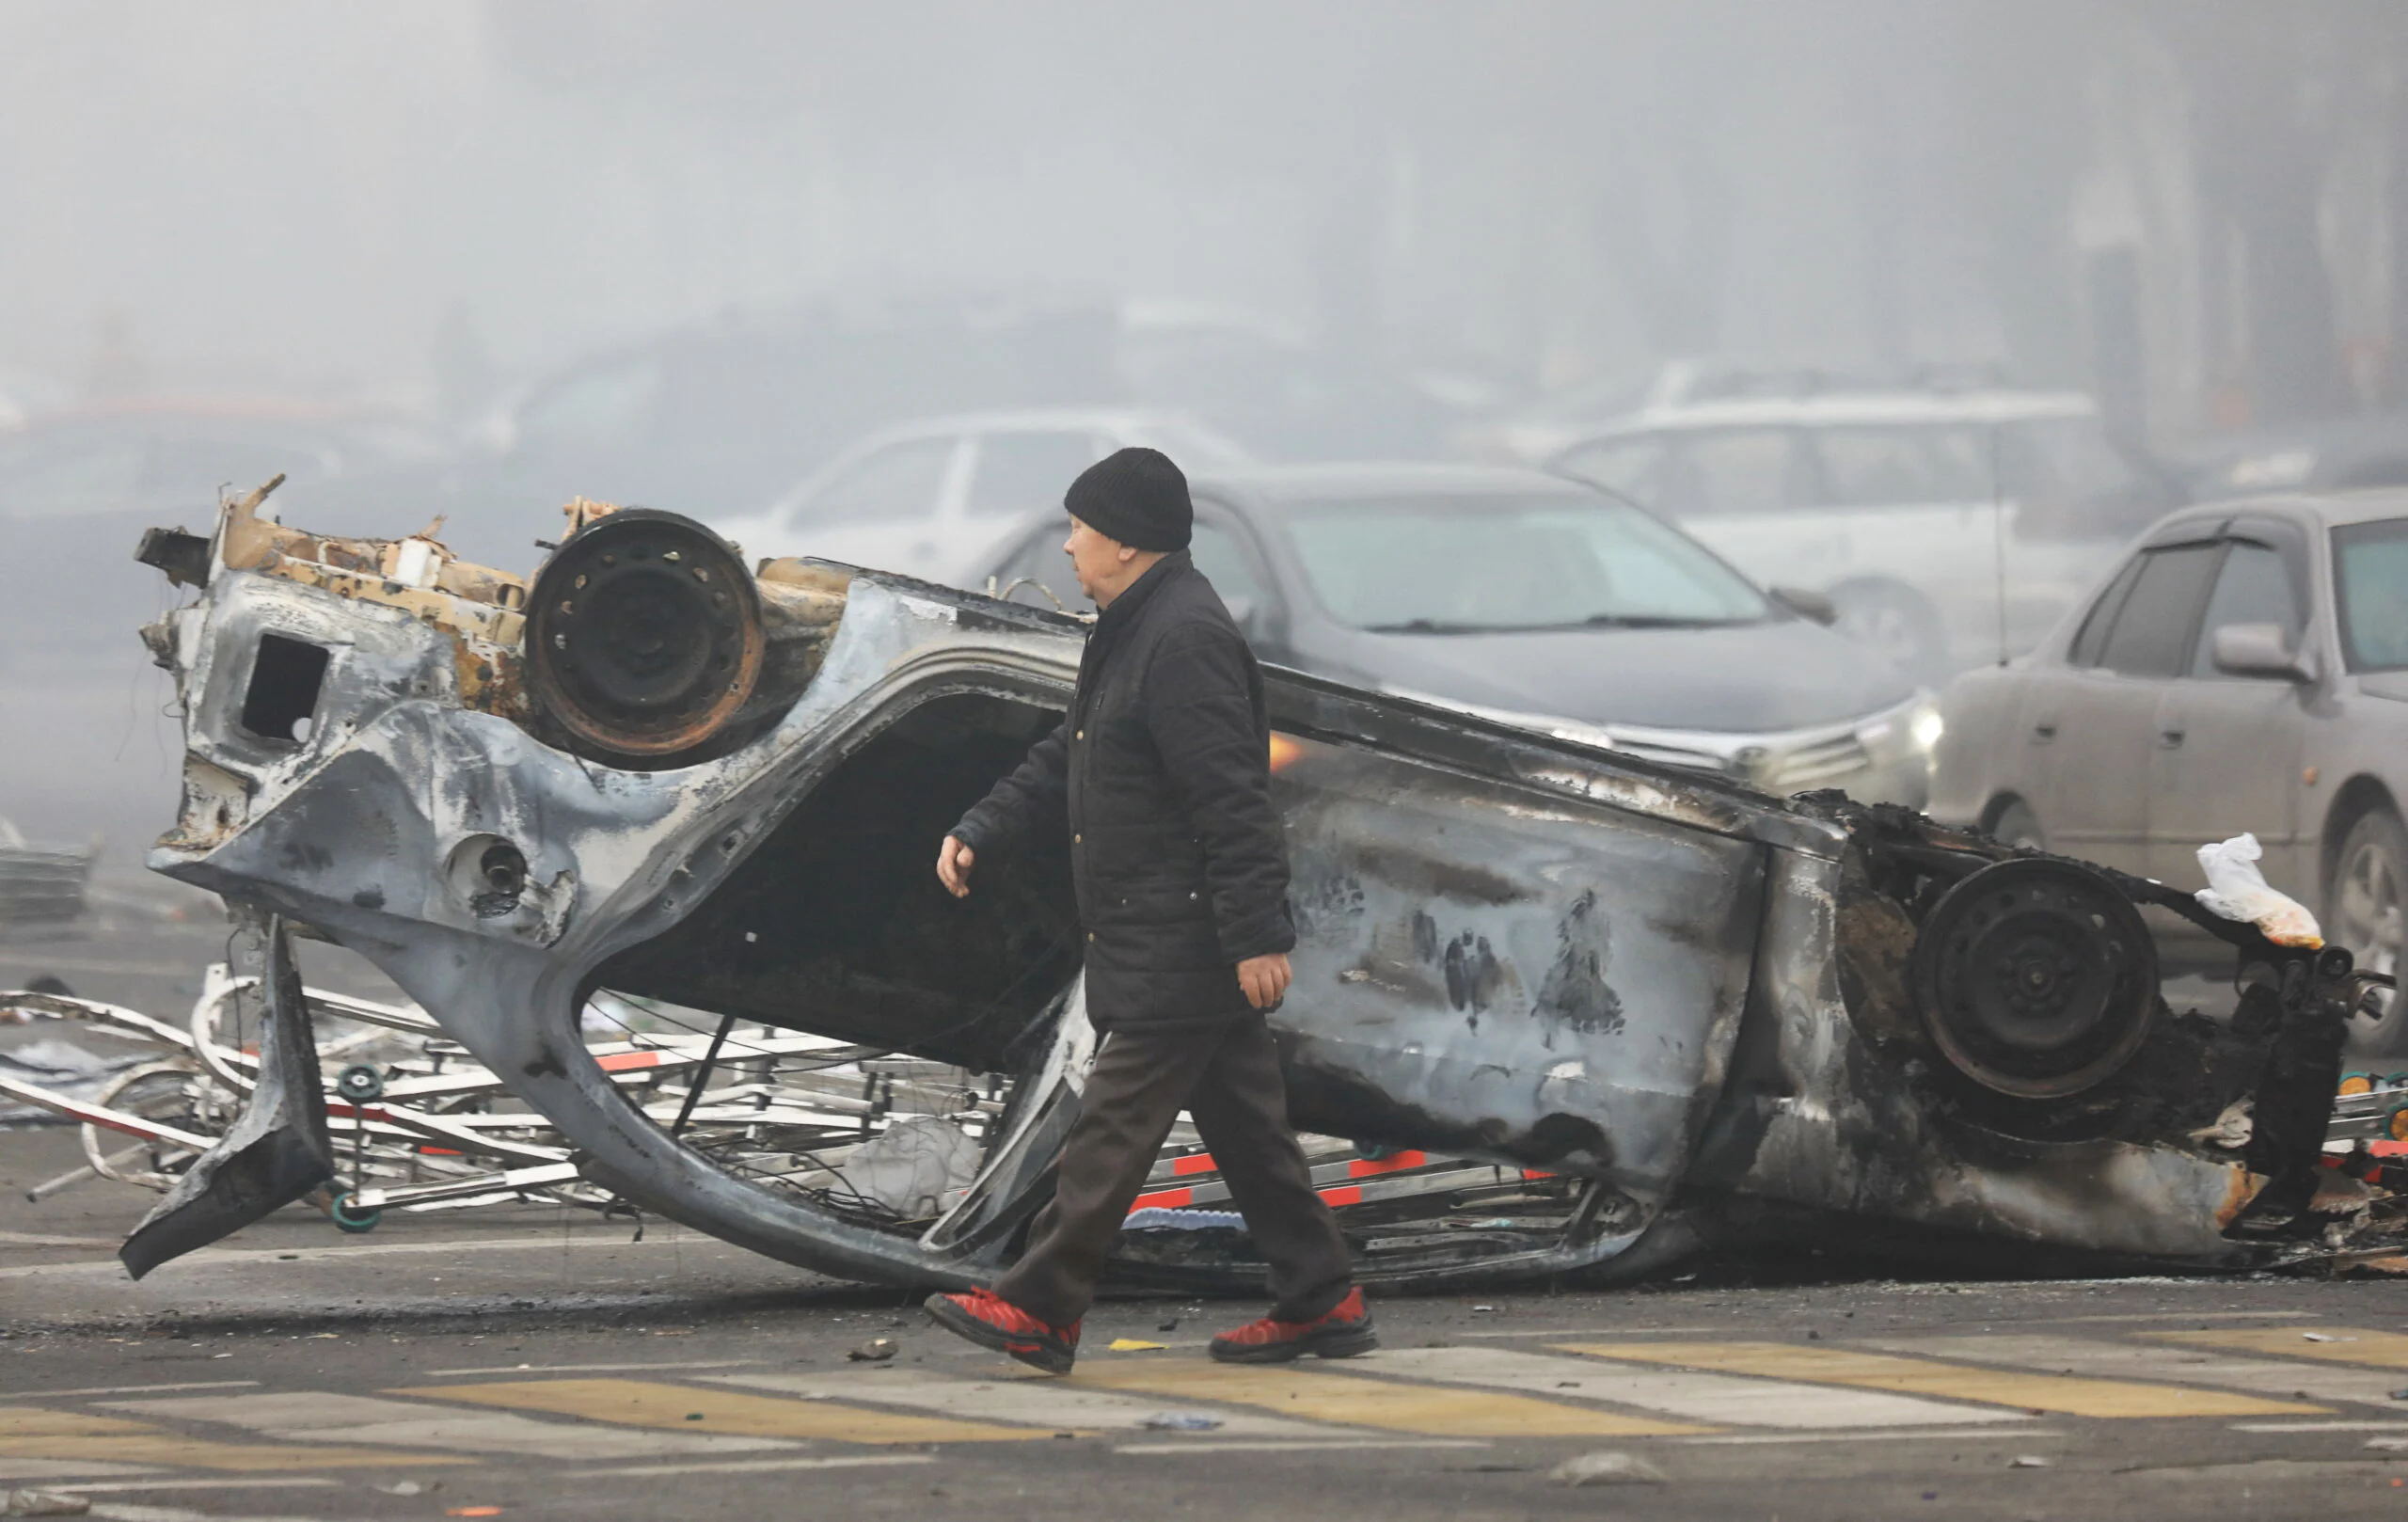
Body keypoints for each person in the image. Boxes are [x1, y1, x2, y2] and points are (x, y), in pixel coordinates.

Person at [923, 447, 1372, 1375]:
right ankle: (1323, 1297)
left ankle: (1040, 1305)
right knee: (1248, 1132)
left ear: (1126, 543)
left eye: (1080, 530)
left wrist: (1256, 935)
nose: (1071, 548)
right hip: (1161, 927)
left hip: (1186, 934)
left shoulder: (1182, 641)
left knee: (1110, 1130)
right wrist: (984, 823)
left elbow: (1232, 797)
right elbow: (1072, 751)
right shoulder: (1133, 628)